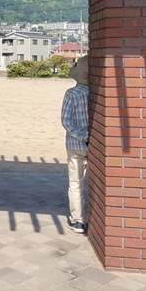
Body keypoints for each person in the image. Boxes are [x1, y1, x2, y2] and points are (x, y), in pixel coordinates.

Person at [61, 55, 89, 234]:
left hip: (75, 144)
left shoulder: (71, 93)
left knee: (76, 183)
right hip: (94, 144)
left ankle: (78, 220)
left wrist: (81, 135)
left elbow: (66, 121)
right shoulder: (98, 93)